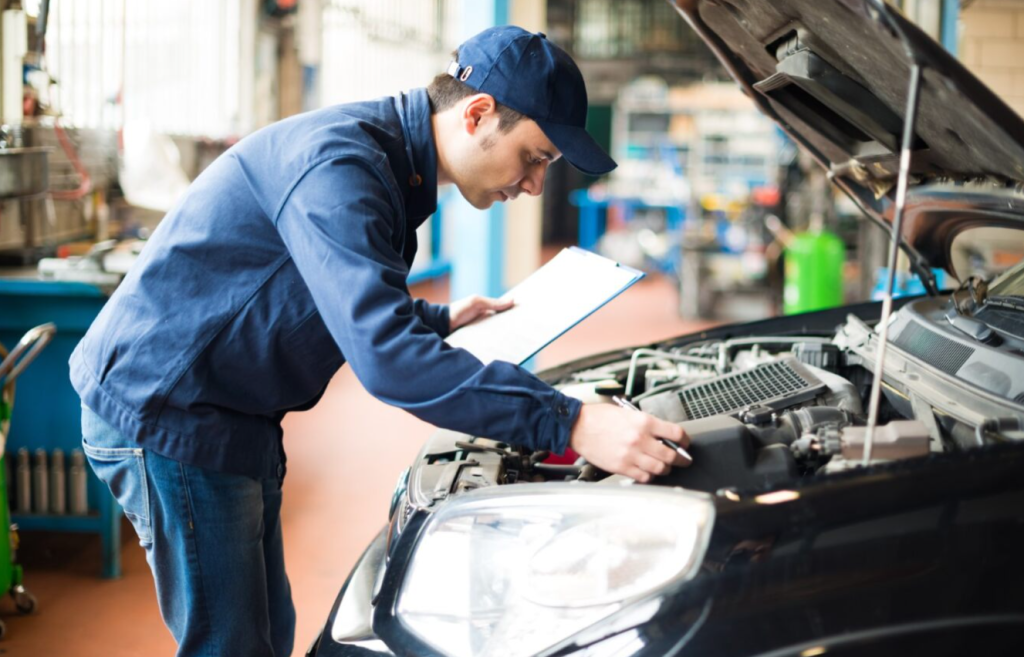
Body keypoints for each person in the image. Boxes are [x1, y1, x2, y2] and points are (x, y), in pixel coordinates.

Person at [71, 25, 690, 657]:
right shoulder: (342, 165)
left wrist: (437, 318)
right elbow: (386, 359)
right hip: (170, 408)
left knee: (265, 634)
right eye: (535, 158)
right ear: (477, 114)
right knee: (230, 645)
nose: (534, 185)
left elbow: (323, 290)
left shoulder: (395, 169)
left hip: (232, 406)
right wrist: (571, 423)